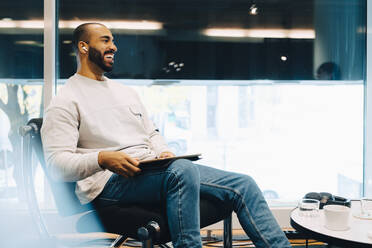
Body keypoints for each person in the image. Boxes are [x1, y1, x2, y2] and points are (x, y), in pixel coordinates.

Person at [41, 23, 291, 248]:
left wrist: (163, 152)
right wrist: (102, 158)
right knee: (182, 170)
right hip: (108, 183)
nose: (114, 47)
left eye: (113, 40)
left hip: (152, 169)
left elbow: (150, 132)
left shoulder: (125, 92)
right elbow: (57, 165)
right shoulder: (65, 100)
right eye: (105, 40)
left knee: (242, 184)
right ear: (83, 47)